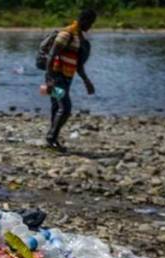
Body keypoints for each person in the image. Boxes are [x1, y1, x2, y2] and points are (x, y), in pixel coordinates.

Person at [44, 9, 96, 152]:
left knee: (57, 107)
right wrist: (49, 79)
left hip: (67, 77)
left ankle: (52, 139)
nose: (90, 27)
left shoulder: (79, 37)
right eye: (90, 23)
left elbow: (78, 65)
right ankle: (51, 138)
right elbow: (51, 55)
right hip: (56, 77)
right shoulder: (67, 34)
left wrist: (86, 81)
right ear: (84, 20)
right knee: (65, 108)